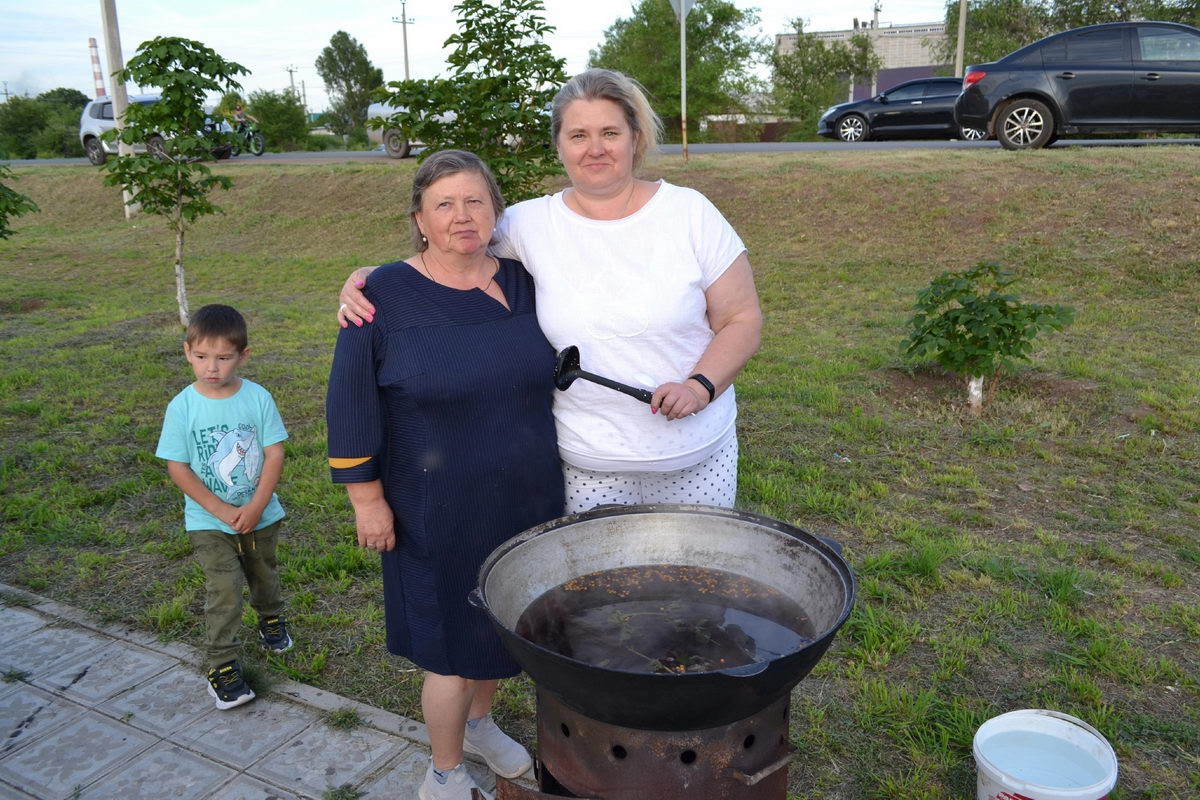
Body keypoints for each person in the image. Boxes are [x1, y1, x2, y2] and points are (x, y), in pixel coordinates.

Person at [339, 68, 762, 514]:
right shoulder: (528, 224)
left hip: (696, 461)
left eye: (610, 132)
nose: (595, 148)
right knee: (599, 585)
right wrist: (378, 277)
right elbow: (452, 250)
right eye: (578, 134)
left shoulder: (690, 213)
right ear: (559, 145)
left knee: (691, 581)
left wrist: (699, 387)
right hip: (588, 469)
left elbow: (742, 319)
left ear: (635, 139)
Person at [326, 150, 564, 800]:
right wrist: (365, 499)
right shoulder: (380, 299)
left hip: (524, 494)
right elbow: (350, 406)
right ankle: (444, 771)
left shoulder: (525, 282)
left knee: (500, 622)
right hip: (434, 506)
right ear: (420, 221)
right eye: (445, 204)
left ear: (496, 210)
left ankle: (483, 728)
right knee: (451, 650)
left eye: (476, 201)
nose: (463, 215)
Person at [155, 304, 293, 711]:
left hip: (260, 515)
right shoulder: (183, 406)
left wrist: (256, 505)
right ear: (187, 353)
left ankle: (271, 617)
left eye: (223, 357)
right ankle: (222, 666)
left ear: (243, 355)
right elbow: (177, 467)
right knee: (225, 590)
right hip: (208, 521)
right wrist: (218, 509)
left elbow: (274, 453)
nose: (210, 367)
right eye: (201, 357)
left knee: (262, 573)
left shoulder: (258, 398)